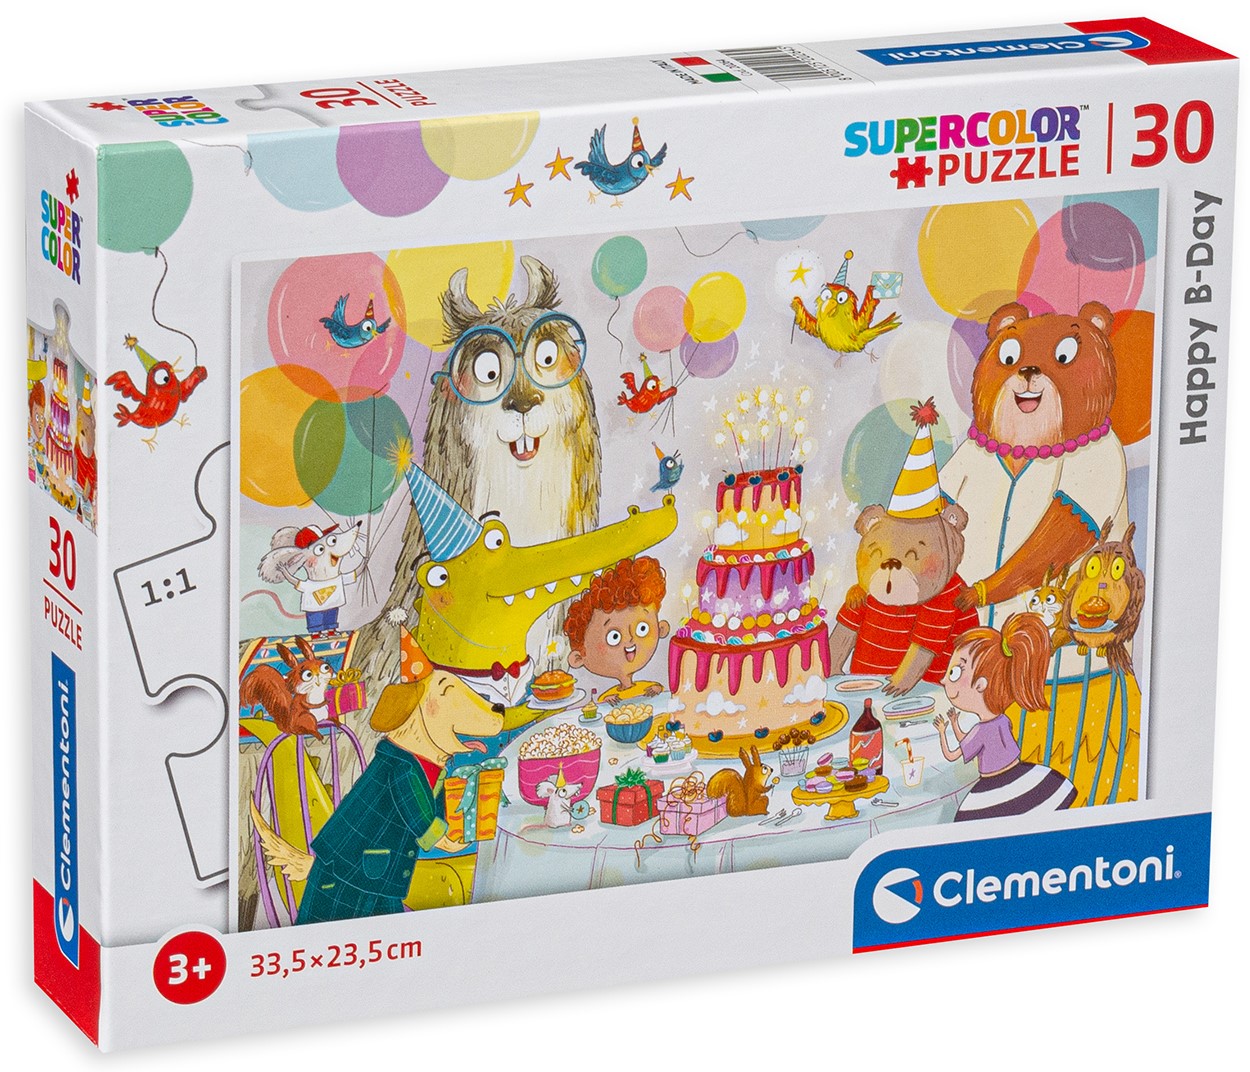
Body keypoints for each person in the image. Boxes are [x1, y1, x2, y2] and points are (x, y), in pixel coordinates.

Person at [933, 613, 1077, 821]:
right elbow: (970, 741)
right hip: (1021, 773)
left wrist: (942, 732)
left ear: (980, 685)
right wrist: (955, 724)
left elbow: (952, 755)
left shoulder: (980, 730)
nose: (944, 680)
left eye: (954, 673)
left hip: (994, 787)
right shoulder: (1001, 720)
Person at [564, 556, 669, 705]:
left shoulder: (647, 687)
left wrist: (656, 689)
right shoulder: (608, 696)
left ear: (661, 629)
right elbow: (602, 707)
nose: (630, 641)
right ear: (578, 658)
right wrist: (607, 701)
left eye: (642, 629)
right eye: (614, 637)